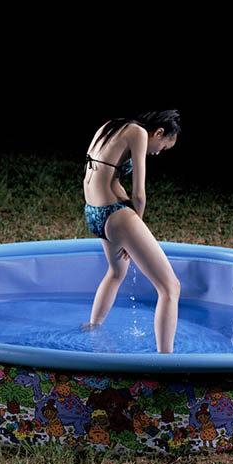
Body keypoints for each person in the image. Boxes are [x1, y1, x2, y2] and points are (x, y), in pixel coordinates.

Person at [81, 110, 181, 352]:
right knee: (170, 288)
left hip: (93, 211)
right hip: (116, 216)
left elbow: (99, 173)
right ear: (158, 132)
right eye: (163, 147)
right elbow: (139, 194)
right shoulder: (138, 133)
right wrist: (137, 227)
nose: (157, 153)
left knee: (116, 272)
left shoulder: (111, 126)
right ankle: (166, 359)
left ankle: (93, 328)